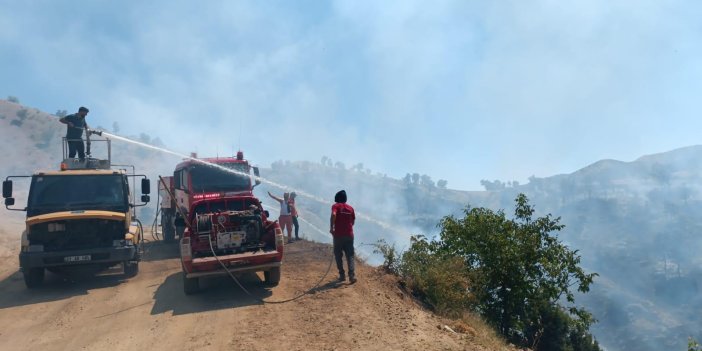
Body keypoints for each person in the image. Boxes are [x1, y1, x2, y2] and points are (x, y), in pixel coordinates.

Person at [330, 190, 356, 284]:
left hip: (338, 235)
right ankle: (352, 276)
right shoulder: (351, 208)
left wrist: (332, 228)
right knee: (350, 255)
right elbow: (353, 221)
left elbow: (333, 215)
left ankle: (342, 275)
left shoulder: (335, 206)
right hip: (349, 235)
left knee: (338, 255)